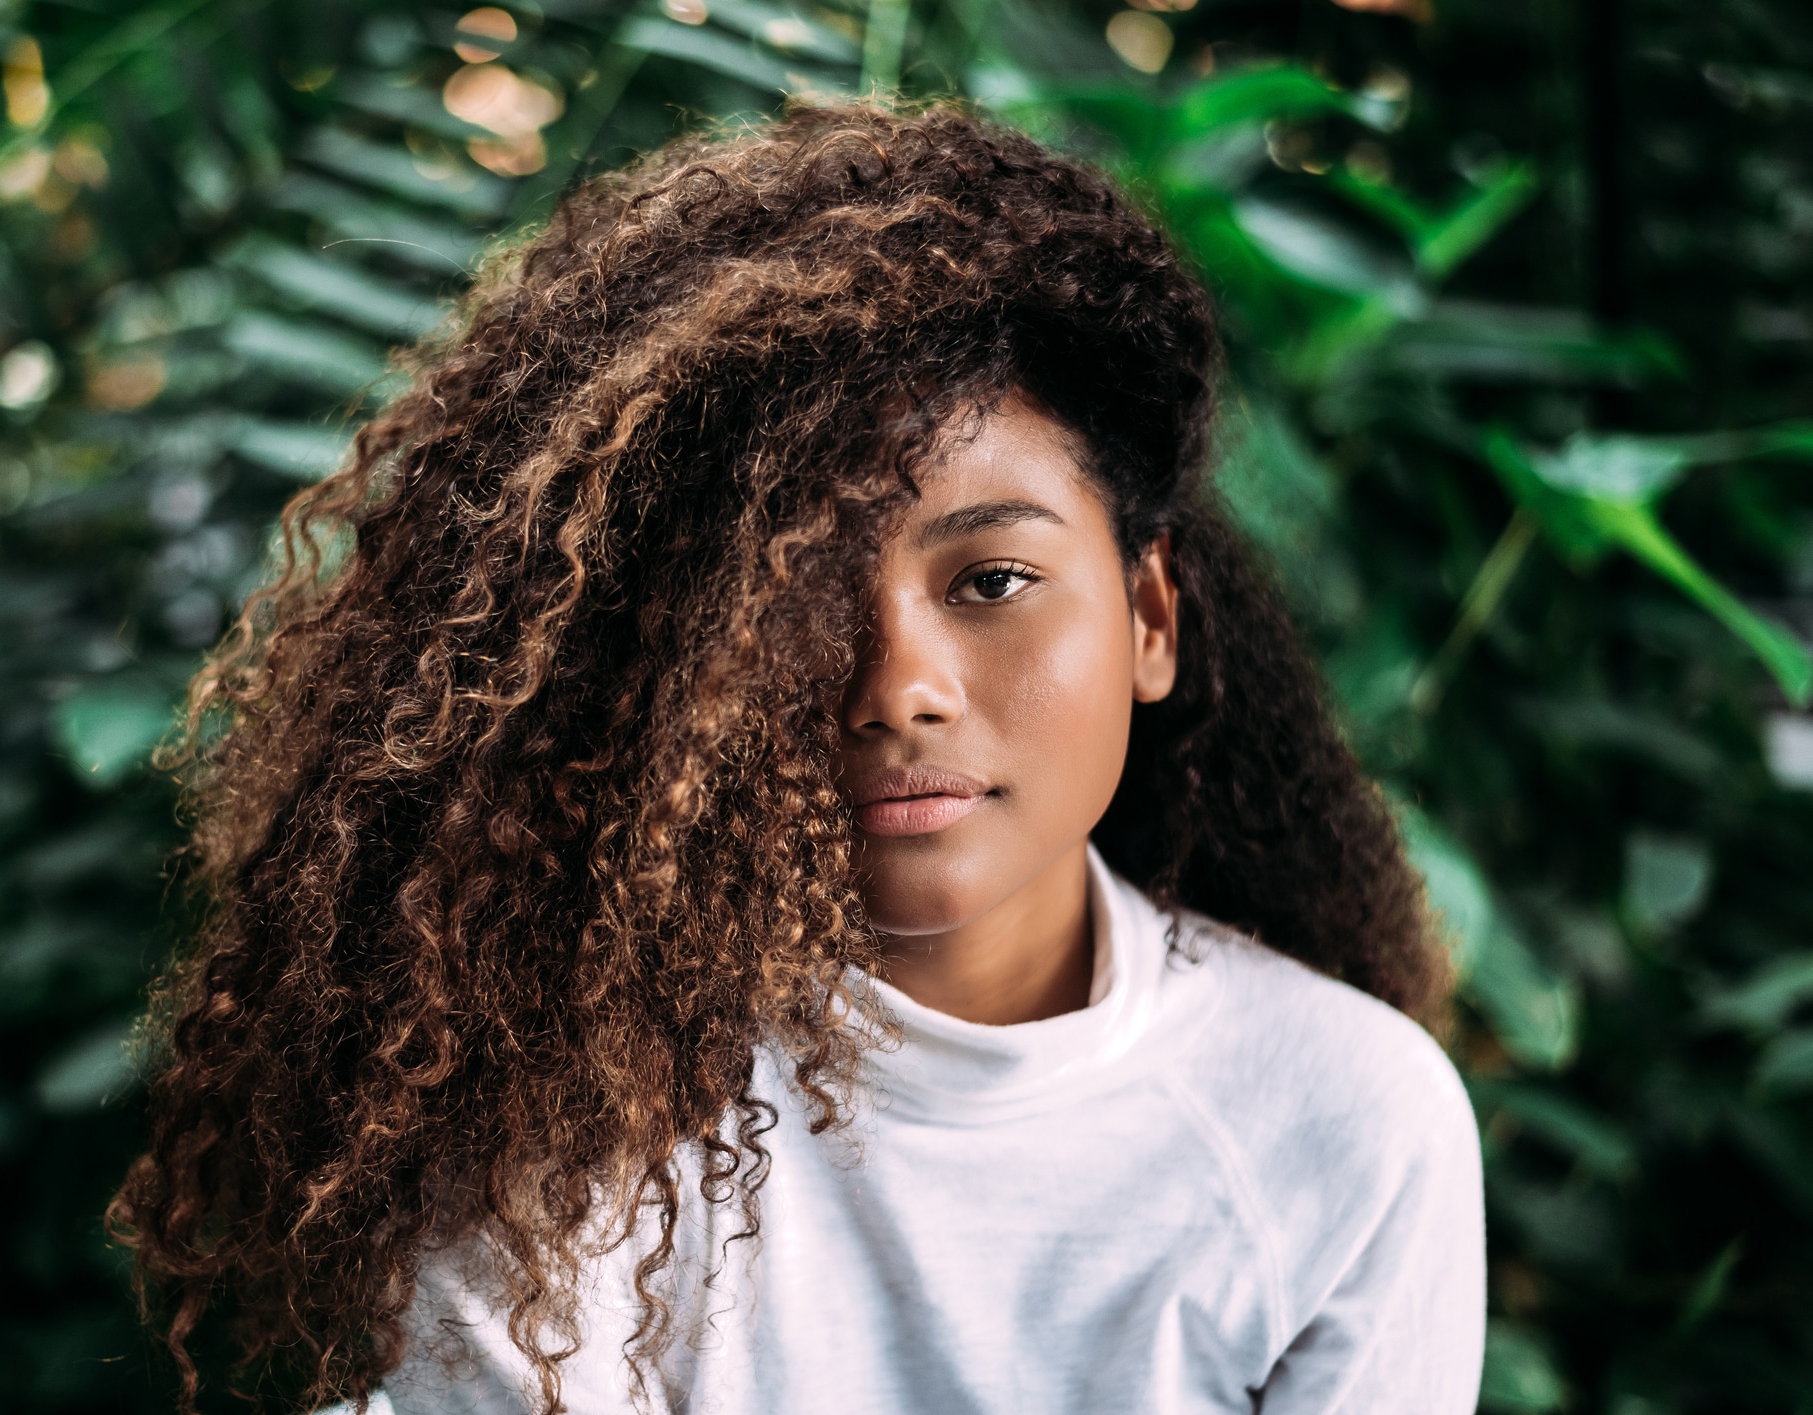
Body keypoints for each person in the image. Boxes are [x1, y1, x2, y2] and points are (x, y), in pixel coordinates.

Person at [111, 104, 1484, 1415]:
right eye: (790, 603)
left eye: (993, 579)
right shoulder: (557, 1065)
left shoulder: (1343, 1122)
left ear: (1148, 617)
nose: (898, 689)